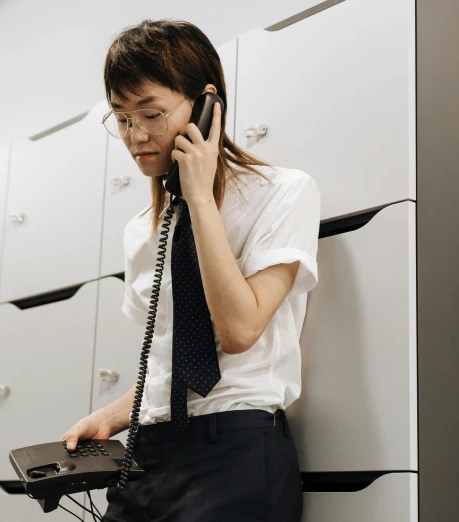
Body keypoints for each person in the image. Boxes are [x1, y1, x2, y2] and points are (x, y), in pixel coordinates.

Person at [59, 19, 320, 522]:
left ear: (206, 105)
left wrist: (199, 198)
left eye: (151, 113)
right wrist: (111, 418)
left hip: (236, 450)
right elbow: (178, 362)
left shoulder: (283, 193)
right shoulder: (141, 230)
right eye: (121, 118)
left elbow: (239, 330)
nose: (136, 136)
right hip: (149, 453)